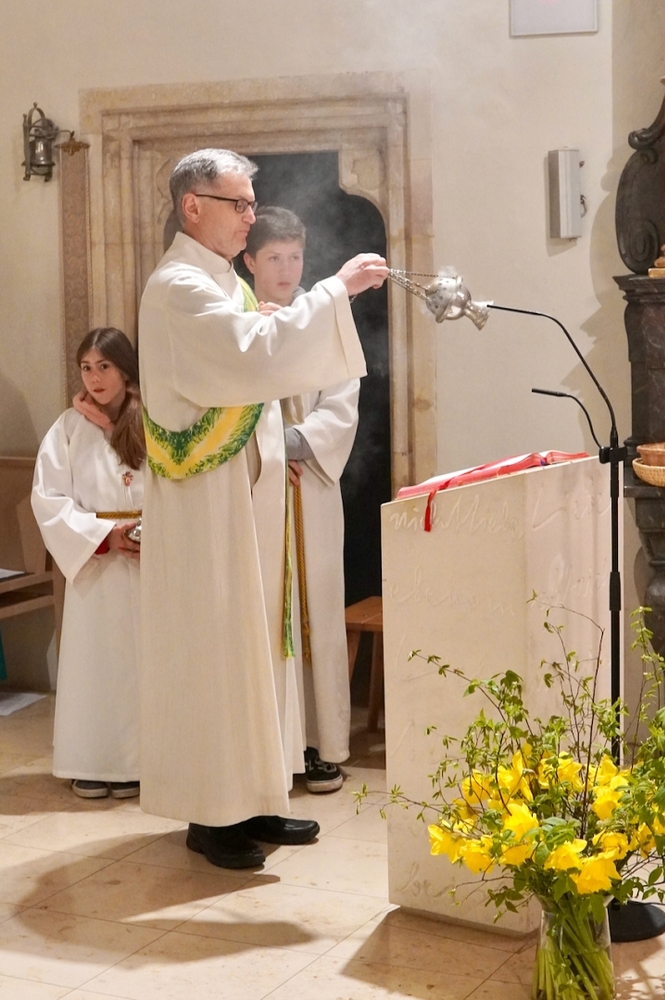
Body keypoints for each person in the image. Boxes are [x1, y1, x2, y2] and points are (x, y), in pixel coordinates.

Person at [138, 147, 387, 869]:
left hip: (247, 502)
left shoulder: (221, 281)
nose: (251, 216)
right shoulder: (180, 286)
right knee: (221, 651)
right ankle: (213, 815)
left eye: (252, 203)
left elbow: (265, 346)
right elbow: (252, 354)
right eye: (238, 203)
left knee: (256, 648)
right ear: (193, 207)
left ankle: (256, 795)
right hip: (209, 507)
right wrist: (335, 291)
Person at [244, 207, 358, 793]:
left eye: (295, 257)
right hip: (256, 490)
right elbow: (224, 403)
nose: (286, 269)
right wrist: (268, 452)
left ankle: (320, 743)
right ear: (250, 261)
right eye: (274, 258)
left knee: (317, 612)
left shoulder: (326, 317)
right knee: (264, 615)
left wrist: (290, 446)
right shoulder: (237, 319)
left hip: (309, 487)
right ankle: (270, 748)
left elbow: (340, 407)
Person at [31, 327, 144, 799]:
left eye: (104, 367)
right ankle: (93, 761)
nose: (94, 378)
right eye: (86, 368)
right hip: (96, 567)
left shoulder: (152, 423)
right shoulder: (68, 429)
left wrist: (152, 534)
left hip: (146, 563)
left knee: (142, 664)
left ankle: (141, 761)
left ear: (125, 370)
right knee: (96, 666)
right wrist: (103, 537)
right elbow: (48, 498)